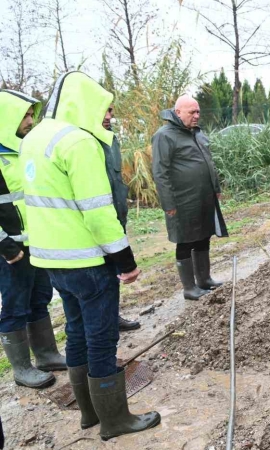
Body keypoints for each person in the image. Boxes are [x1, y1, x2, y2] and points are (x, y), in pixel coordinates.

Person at [20, 71, 160, 440]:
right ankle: (115, 421)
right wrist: (125, 262)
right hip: (86, 261)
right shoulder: (78, 142)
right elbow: (98, 211)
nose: (107, 116)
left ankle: (89, 414)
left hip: (52, 261)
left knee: (78, 332)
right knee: (101, 338)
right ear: (82, 103)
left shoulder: (34, 138)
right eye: (103, 109)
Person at [0, 89, 67, 389]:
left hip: (36, 241)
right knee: (15, 305)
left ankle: (47, 354)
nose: (30, 121)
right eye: (24, 116)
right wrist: (5, 246)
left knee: (40, 298)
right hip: (10, 248)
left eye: (31, 115)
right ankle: (21, 368)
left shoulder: (23, 149)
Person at [151, 94, 228, 301]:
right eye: (191, 112)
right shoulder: (164, 135)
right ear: (178, 113)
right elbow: (160, 172)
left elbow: (208, 162)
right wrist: (168, 203)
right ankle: (189, 288)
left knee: (204, 235)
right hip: (182, 200)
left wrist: (216, 187)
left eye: (198, 111)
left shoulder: (196, 133)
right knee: (185, 241)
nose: (196, 116)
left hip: (204, 196)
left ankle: (204, 279)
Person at [101, 104, 141, 332]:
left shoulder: (111, 140)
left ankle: (113, 316)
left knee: (112, 274)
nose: (109, 116)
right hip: (98, 221)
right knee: (97, 282)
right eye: (103, 111)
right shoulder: (84, 143)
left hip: (115, 218)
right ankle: (104, 323)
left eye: (111, 111)